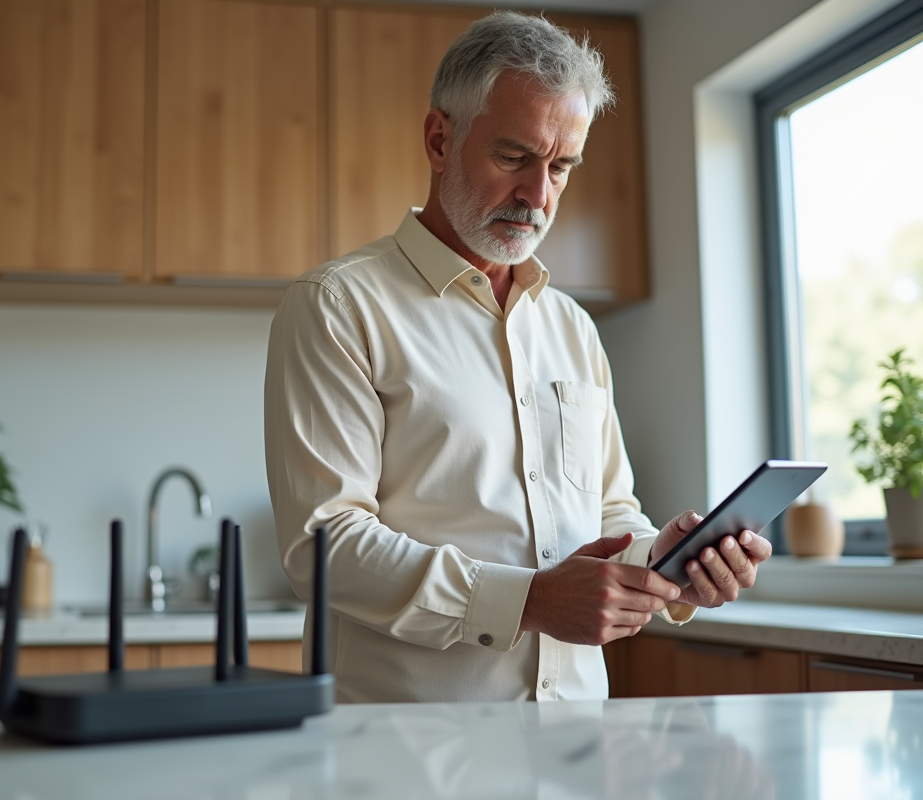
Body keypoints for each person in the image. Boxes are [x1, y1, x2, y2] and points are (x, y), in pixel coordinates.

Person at [264, 11, 771, 703]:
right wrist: (526, 601)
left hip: (576, 741)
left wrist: (666, 559)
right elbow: (324, 546)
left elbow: (609, 514)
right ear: (440, 139)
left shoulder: (572, 327)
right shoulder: (338, 305)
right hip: (412, 754)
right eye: (514, 157)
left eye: (561, 167)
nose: (538, 197)